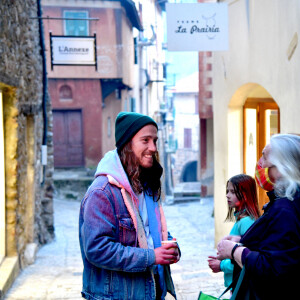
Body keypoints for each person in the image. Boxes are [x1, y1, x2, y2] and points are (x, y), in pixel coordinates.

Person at [79, 111, 180, 300]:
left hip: (151, 290)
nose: (153, 147)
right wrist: (151, 257)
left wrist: (170, 246)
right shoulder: (102, 192)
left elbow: (150, 231)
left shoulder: (147, 185)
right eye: (145, 140)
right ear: (127, 144)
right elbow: (97, 249)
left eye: (155, 141)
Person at [216, 134, 300, 299]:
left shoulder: (286, 208)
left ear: (282, 166)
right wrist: (242, 240)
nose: (260, 164)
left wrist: (233, 251)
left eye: (264, 157)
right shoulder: (288, 201)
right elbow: (278, 245)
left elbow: (272, 268)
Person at [208, 174, 260, 289]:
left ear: (246, 194)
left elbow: (247, 259)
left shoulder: (247, 222)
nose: (227, 195)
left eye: (233, 192)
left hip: (241, 287)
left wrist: (221, 265)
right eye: (227, 191)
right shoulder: (241, 219)